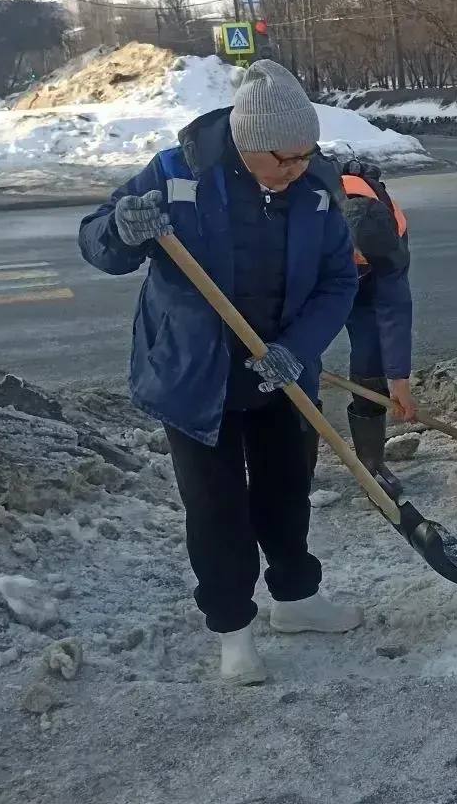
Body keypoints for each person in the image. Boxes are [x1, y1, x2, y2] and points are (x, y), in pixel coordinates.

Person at [78, 60, 362, 686]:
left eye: (306, 155)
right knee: (215, 507)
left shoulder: (315, 186)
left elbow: (340, 280)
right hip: (193, 374)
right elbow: (97, 240)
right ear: (247, 143)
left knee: (287, 491)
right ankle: (234, 630)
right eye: (286, 159)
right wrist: (122, 230)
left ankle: (296, 599)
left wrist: (298, 348)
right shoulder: (178, 173)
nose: (298, 168)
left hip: (279, 371)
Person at [337, 159, 416, 499]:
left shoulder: (390, 235)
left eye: (367, 261)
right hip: (310, 275)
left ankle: (371, 462)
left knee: (369, 354)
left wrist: (399, 378)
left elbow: (394, 306)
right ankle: (298, 461)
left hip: (367, 287)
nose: (363, 264)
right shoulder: (309, 215)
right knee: (297, 359)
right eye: (359, 258)